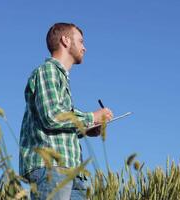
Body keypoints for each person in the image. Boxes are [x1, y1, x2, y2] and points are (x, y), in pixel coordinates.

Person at [19, 22, 113, 200]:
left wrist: (86, 127)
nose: (84, 48)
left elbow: (57, 124)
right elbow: (52, 116)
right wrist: (91, 116)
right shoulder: (48, 70)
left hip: (72, 171)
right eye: (81, 41)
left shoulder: (60, 77)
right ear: (66, 40)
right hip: (52, 168)